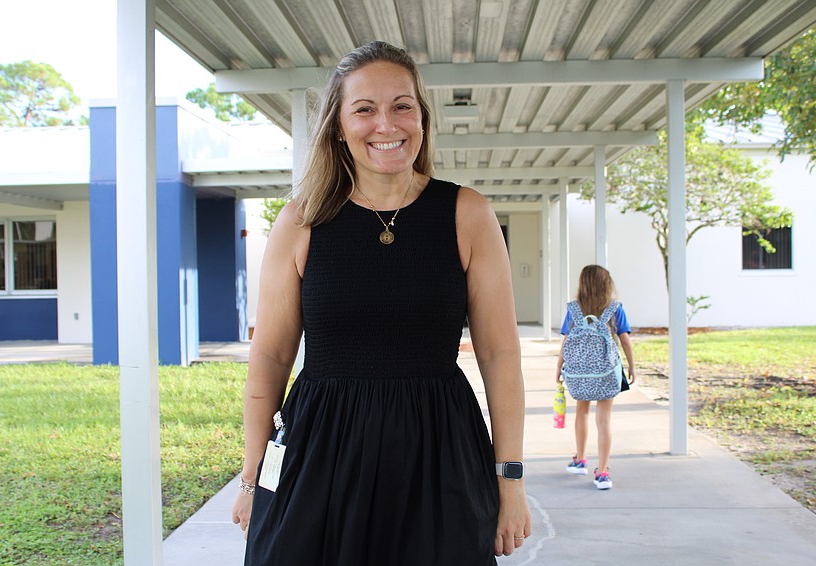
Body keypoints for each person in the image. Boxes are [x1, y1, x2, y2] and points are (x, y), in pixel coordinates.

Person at [231, 40, 531, 565]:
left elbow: (501, 355)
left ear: (421, 116)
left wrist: (511, 481)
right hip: (318, 453)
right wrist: (253, 480)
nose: (386, 125)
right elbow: (272, 359)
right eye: (364, 109)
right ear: (339, 126)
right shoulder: (301, 221)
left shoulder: (467, 214)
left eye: (402, 106)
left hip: (439, 453)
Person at [555, 265, 635, 490]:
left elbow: (566, 342)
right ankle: (602, 472)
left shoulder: (574, 309)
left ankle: (580, 459)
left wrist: (559, 367)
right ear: (606, 284)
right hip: (607, 372)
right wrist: (632, 366)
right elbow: (626, 340)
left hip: (580, 372)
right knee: (604, 420)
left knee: (581, 411)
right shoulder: (615, 309)